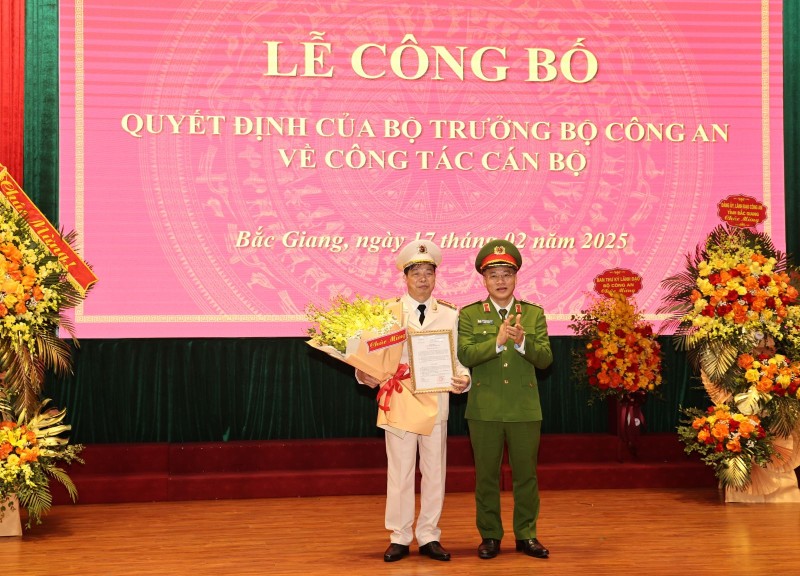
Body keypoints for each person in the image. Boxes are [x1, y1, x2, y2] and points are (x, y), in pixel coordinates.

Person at [356, 239, 471, 563]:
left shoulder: (450, 315)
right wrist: (363, 375)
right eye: (416, 272)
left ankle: (429, 535)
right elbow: (371, 357)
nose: (422, 278)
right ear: (405, 277)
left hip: (435, 401)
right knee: (401, 471)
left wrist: (464, 380)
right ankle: (400, 536)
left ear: (436, 277)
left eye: (428, 272)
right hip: (400, 400)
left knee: (435, 472)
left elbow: (458, 359)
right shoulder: (388, 313)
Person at [456, 239, 553, 560]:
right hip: (484, 409)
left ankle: (527, 535)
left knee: (526, 476)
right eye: (494, 275)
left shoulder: (533, 314)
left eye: (506, 274)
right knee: (486, 477)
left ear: (516, 278)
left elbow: (545, 360)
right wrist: (496, 343)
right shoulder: (470, 315)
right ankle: (490, 536)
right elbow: (465, 353)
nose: (500, 281)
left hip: (525, 409)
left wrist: (524, 343)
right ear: (483, 280)